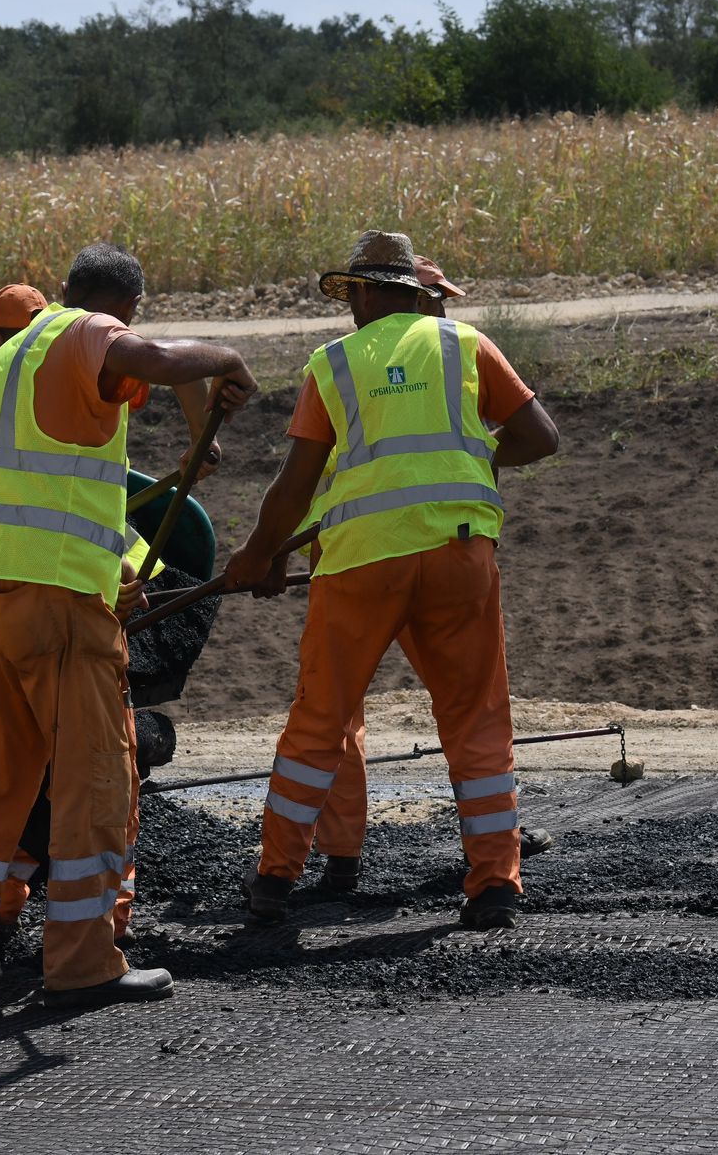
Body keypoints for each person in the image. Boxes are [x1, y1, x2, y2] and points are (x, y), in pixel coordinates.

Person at [0, 243, 255, 1005]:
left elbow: (155, 380)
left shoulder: (15, 359)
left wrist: (200, 426)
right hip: (56, 602)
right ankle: (84, 961)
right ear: (125, 307)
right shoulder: (86, 334)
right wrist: (227, 357)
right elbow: (155, 357)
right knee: (95, 780)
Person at [226, 229, 559, 929]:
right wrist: (476, 461)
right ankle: (495, 885)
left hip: (360, 563)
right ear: (414, 292)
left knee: (320, 720)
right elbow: (540, 436)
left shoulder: (334, 363)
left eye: (353, 293)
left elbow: (296, 483)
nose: (350, 306)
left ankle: (275, 880)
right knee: (475, 719)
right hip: (458, 554)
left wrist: (261, 553)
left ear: (368, 294)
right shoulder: (467, 345)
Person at [309, 253, 551, 895]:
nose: (440, 308)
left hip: (371, 549)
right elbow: (534, 436)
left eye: (442, 298)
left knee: (343, 710)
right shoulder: (437, 356)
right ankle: (356, 855)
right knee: (459, 710)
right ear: (409, 297)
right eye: (434, 297)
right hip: (390, 545)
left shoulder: (383, 362)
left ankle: (354, 856)